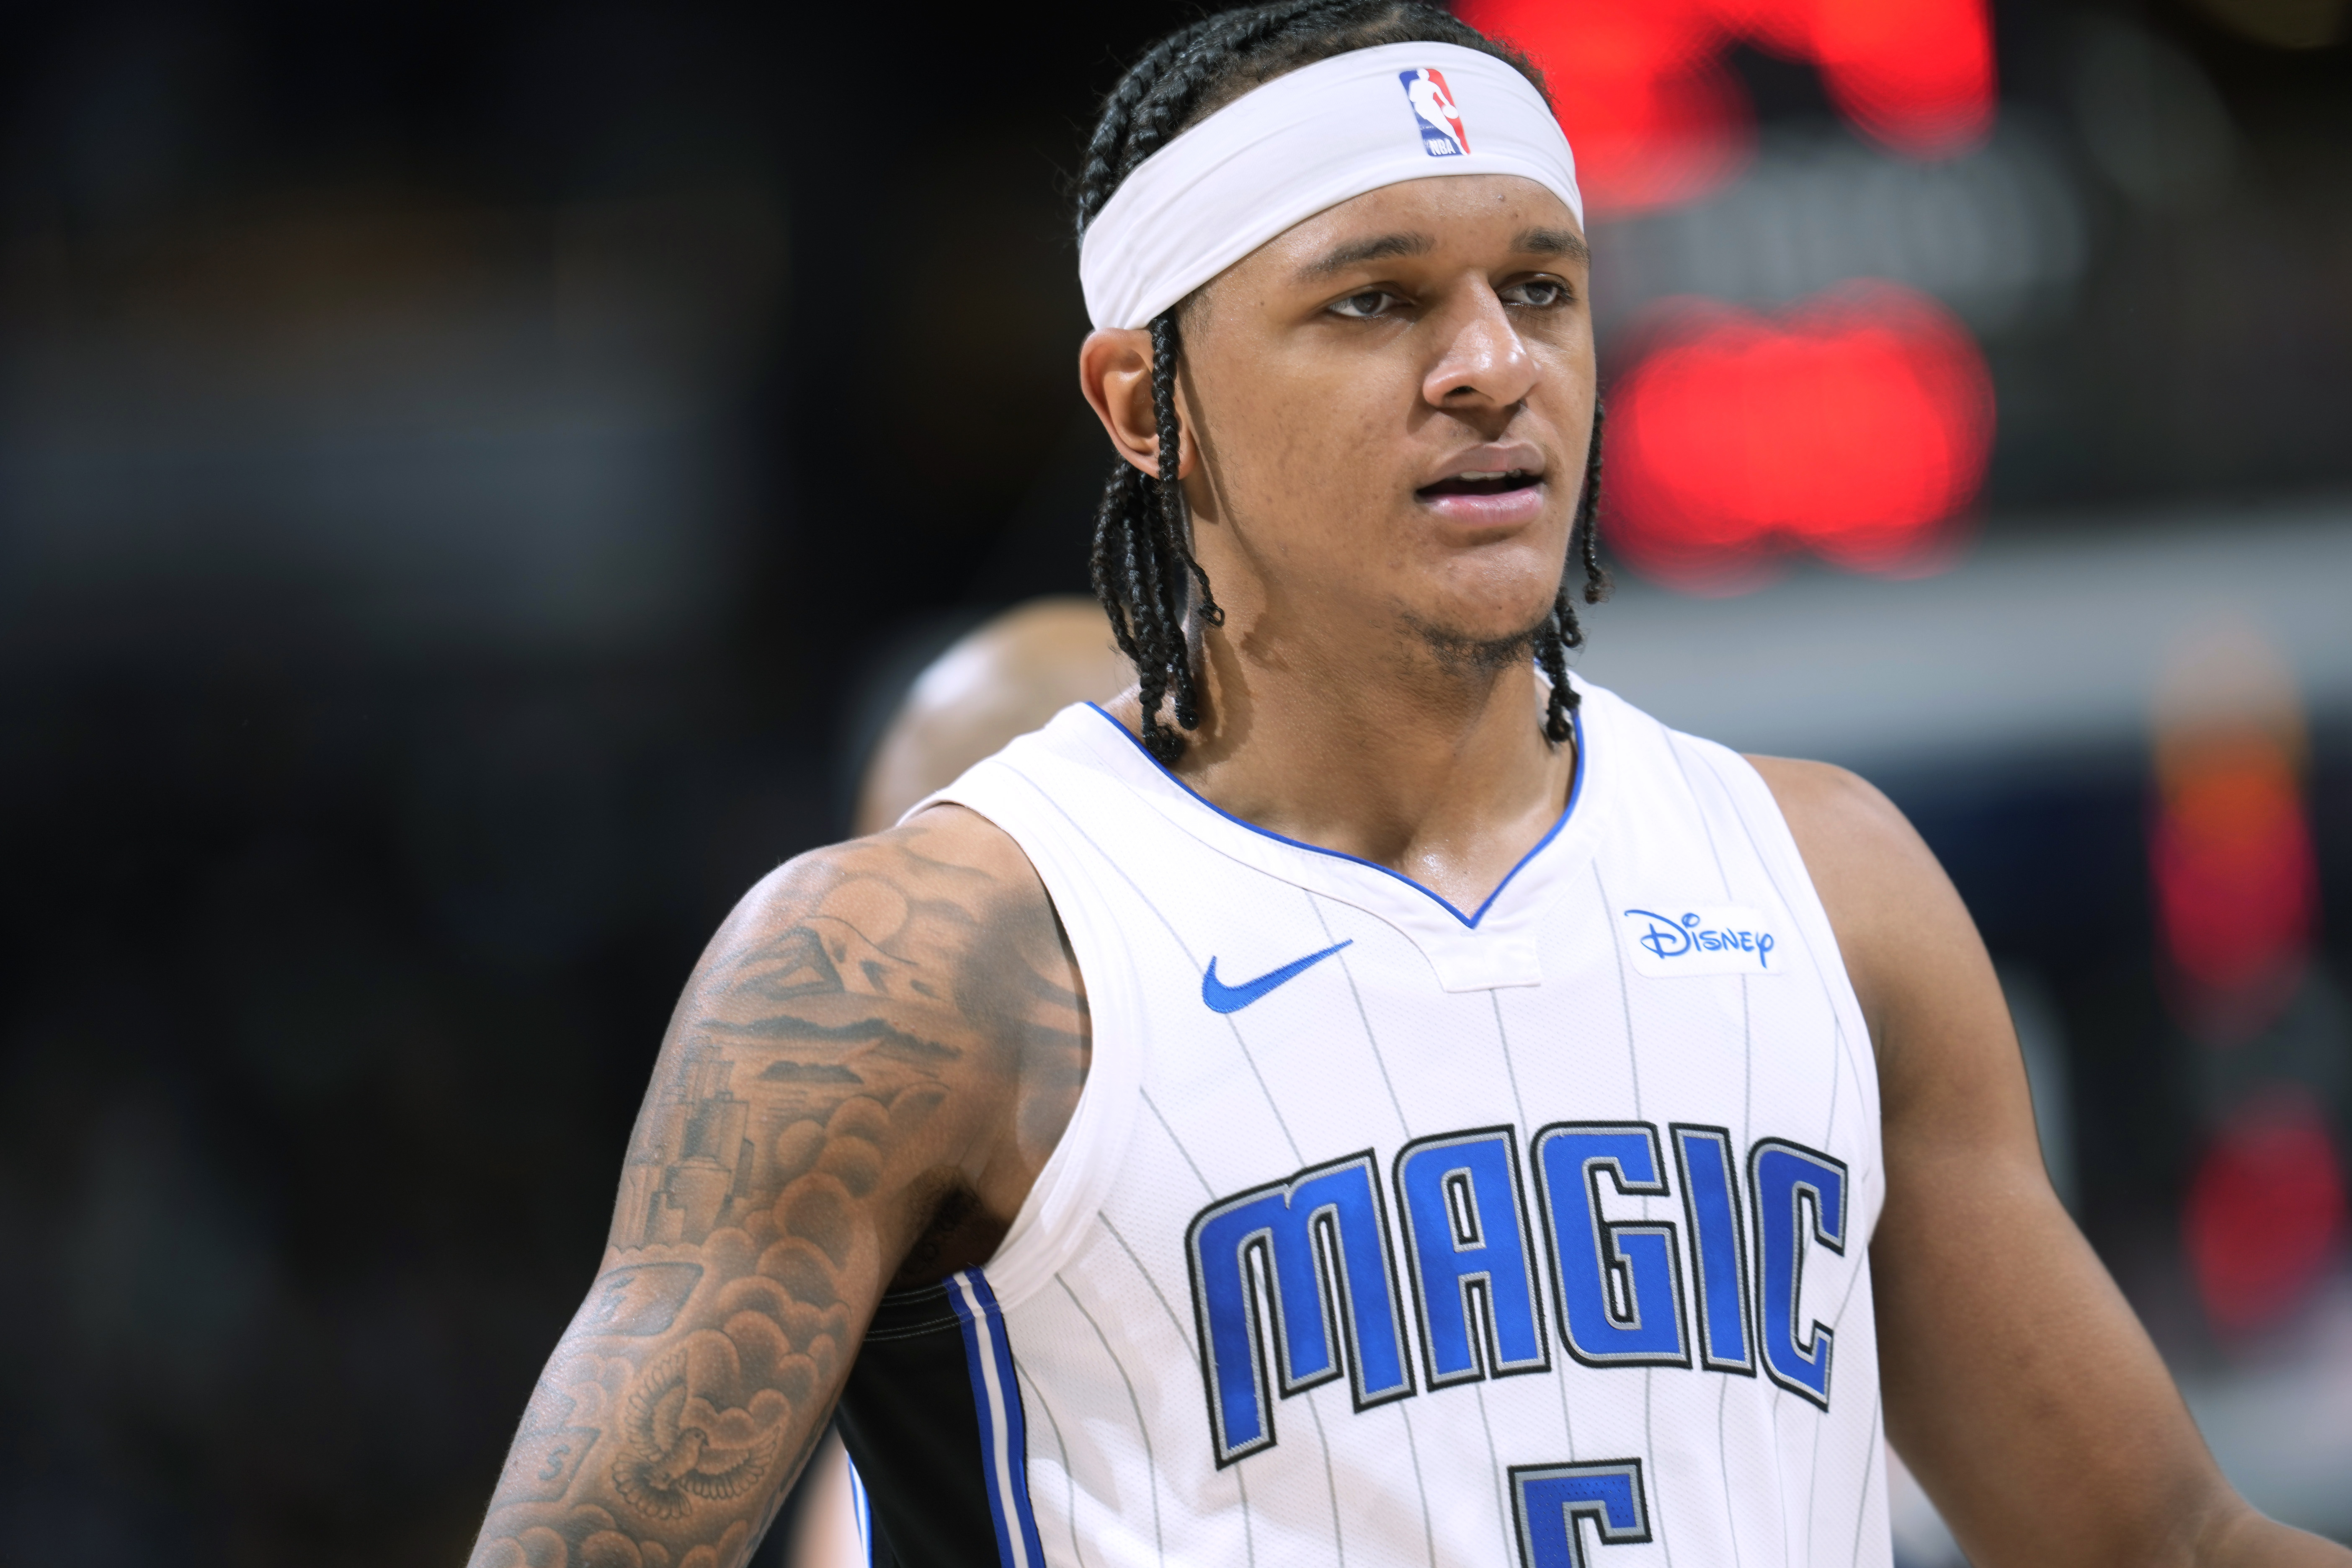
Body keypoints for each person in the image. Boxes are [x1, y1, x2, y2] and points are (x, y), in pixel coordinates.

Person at [467, 4, 2352, 1565]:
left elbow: (2161, 1547)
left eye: (1540, 288)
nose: (1488, 366)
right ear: (1148, 406)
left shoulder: (1832, 885)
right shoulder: (905, 974)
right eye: (1373, 302)